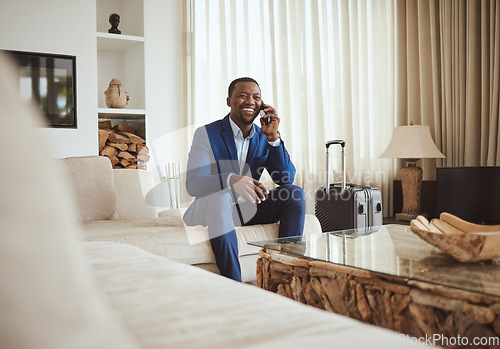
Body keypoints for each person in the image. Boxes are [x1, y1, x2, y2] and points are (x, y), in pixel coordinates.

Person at [183, 77, 305, 282]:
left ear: (262, 106)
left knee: (295, 193)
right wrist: (231, 180)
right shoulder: (207, 133)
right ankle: (235, 284)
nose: (250, 101)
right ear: (229, 101)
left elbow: (285, 178)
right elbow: (193, 183)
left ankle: (285, 277)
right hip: (209, 207)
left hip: (243, 209)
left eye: (256, 98)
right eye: (243, 96)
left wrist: (273, 138)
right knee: (220, 198)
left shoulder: (263, 136)